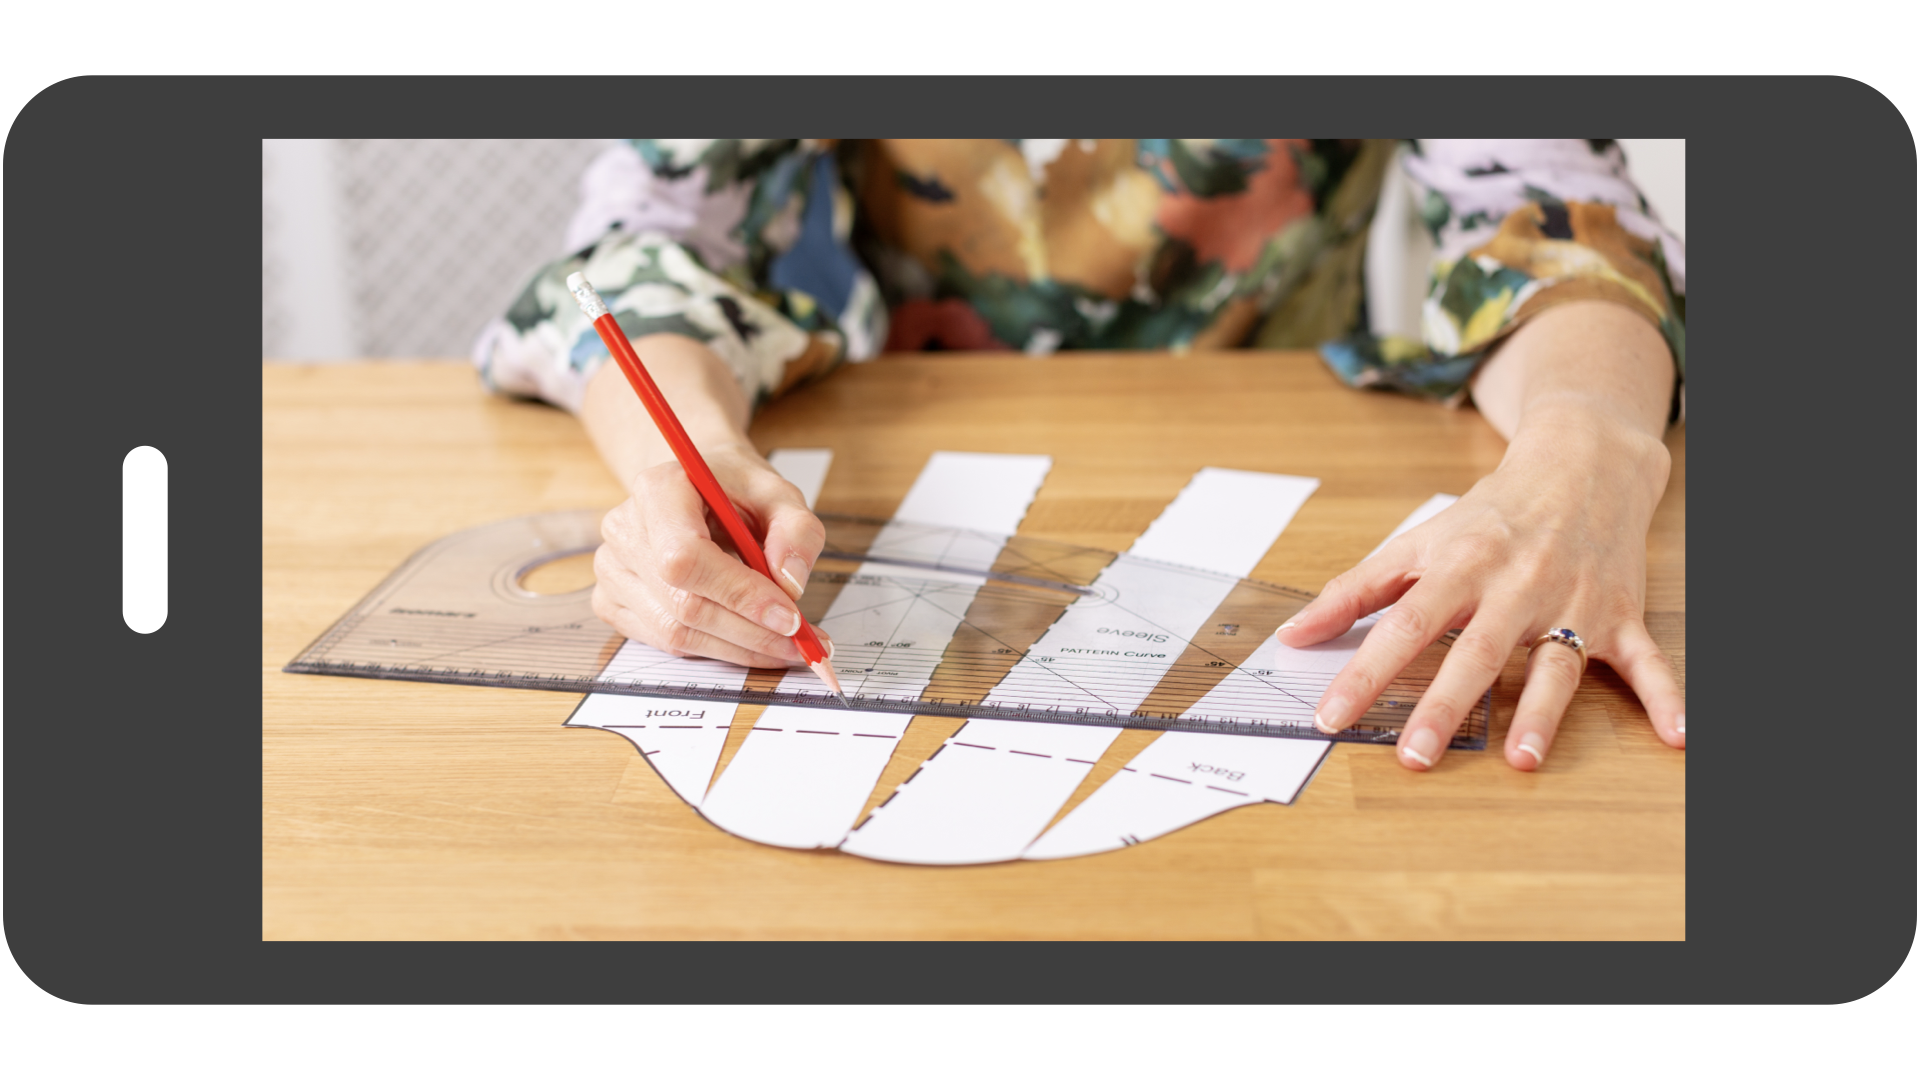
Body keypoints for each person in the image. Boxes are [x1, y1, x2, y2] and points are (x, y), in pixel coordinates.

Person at [472, 139, 1686, 774]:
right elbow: (644, 244)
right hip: (927, 444)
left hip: (1305, 473)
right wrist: (686, 458)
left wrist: (1592, 449)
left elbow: (1554, 206)